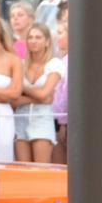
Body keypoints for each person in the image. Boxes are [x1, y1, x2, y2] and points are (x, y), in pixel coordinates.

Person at [14, 23, 64, 164]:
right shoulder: (21, 64)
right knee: (22, 170)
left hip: (42, 119)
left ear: (47, 41)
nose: (33, 41)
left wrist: (23, 87)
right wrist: (38, 98)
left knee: (41, 168)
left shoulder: (54, 63)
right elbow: (14, 100)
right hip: (20, 118)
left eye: (38, 37)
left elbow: (44, 93)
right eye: (30, 37)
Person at [0, 18, 23, 164]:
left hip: (3, 115)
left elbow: (15, 93)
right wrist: (1, 94)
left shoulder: (13, 60)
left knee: (3, 152)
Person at [53, 18, 70, 165]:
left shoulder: (69, 62)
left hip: (63, 121)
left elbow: (65, 95)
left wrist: (63, 124)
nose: (57, 36)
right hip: (58, 120)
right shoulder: (63, 60)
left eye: (60, 32)